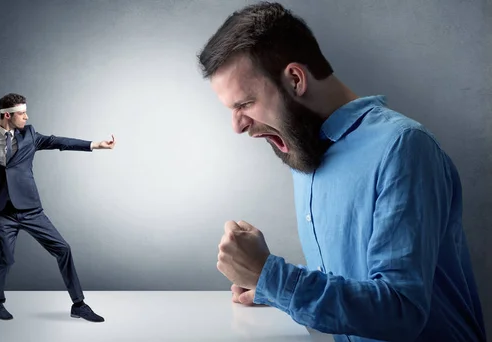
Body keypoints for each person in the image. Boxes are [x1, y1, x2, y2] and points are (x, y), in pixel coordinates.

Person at [198, 2, 486, 341]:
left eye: (245, 104)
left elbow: (401, 311)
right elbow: (355, 282)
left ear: (294, 79)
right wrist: (267, 288)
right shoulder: (305, 150)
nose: (237, 126)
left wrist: (270, 275)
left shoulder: (403, 147)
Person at [0, 93, 115, 322]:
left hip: (30, 210)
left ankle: (78, 305)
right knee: (6, 259)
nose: (26, 117)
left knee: (63, 249)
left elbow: (58, 142)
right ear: (7, 115)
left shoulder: (29, 135)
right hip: (2, 213)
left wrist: (95, 145)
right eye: (22, 113)